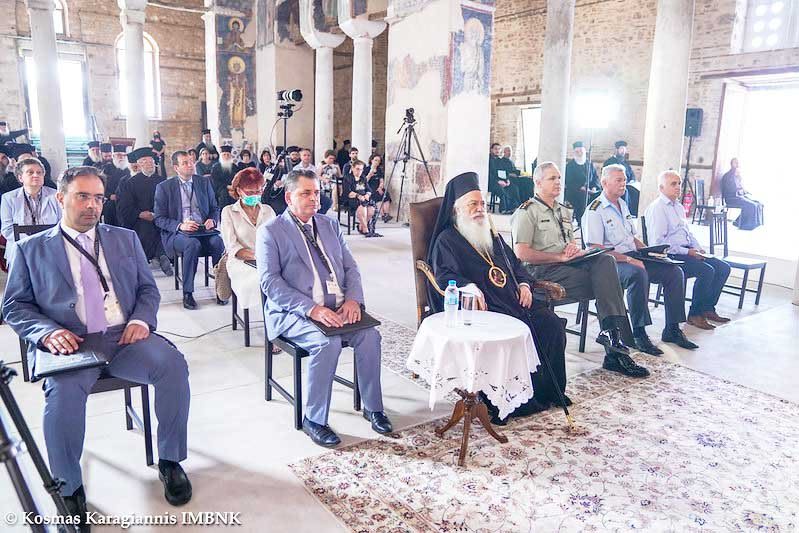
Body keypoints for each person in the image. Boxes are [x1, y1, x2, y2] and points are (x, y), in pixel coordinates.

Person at [2, 166, 192, 527]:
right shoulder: (31, 249)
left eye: (99, 198)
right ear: (61, 198)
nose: (92, 205)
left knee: (173, 367)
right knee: (62, 396)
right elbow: (14, 306)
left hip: (124, 335)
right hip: (71, 342)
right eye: (83, 196)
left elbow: (147, 290)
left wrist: (140, 320)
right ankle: (69, 488)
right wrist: (46, 332)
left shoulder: (124, 238)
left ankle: (170, 460)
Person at [256, 169, 392, 447]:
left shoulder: (329, 225)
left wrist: (353, 300)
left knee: (370, 336)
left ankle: (373, 407)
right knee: (326, 343)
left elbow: (351, 267)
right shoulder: (271, 232)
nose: (314, 198)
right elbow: (271, 283)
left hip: (338, 307)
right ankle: (314, 420)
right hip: (295, 313)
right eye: (306, 193)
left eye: (317, 192)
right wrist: (312, 309)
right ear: (289, 198)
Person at [428, 171, 569, 423]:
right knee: (509, 335)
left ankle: (549, 392)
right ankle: (509, 403)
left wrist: (524, 284)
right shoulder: (446, 240)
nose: (479, 209)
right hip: (485, 310)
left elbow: (516, 265)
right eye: (472, 204)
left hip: (514, 302)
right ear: (457, 209)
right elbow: (444, 274)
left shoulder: (491, 234)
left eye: (482, 203)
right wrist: (468, 287)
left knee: (550, 324)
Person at [511, 161, 650, 378]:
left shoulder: (563, 210)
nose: (558, 182)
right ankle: (615, 347)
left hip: (569, 266)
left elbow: (568, 244)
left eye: (559, 178)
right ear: (537, 182)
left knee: (605, 261)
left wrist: (575, 250)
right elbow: (521, 254)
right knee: (608, 283)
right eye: (552, 178)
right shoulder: (527, 211)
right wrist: (558, 256)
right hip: (542, 272)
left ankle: (612, 339)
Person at [582, 165, 698, 351]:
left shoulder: (623, 204)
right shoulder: (595, 210)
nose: (623, 184)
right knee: (638, 274)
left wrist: (651, 252)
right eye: (618, 180)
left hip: (633, 256)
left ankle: (672, 329)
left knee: (674, 271)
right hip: (609, 263)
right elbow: (595, 249)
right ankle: (639, 333)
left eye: (624, 180)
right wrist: (629, 260)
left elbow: (631, 238)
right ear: (604, 183)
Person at [644, 171, 732, 329]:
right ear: (661, 187)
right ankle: (695, 314)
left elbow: (687, 233)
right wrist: (688, 252)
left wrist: (697, 248)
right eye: (673, 184)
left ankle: (707, 308)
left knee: (723, 267)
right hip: (669, 256)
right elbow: (659, 243)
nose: (678, 187)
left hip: (686, 251)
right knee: (707, 271)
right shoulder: (658, 208)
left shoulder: (678, 206)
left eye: (679, 183)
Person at [154, 150, 226, 310]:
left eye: (191, 161)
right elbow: (159, 219)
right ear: (176, 168)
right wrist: (180, 225)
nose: (190, 165)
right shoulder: (164, 187)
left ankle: (221, 289)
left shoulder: (203, 182)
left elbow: (214, 208)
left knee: (218, 242)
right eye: (185, 163)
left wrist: (212, 220)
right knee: (192, 244)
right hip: (179, 233)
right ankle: (188, 293)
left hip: (203, 230)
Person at [220, 167, 275, 311]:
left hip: (268, 259)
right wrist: (257, 256)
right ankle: (268, 312)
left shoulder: (268, 211)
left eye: (259, 191)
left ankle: (279, 314)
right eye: (250, 193)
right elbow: (232, 247)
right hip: (241, 261)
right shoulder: (229, 212)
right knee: (257, 280)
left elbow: (277, 240)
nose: (255, 196)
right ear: (239, 191)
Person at [116, 147, 174, 275]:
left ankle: (161, 256)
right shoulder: (130, 183)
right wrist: (140, 214)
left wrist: (159, 214)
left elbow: (170, 202)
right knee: (146, 229)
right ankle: (159, 256)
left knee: (164, 228)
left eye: (151, 161)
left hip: (160, 217)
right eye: (145, 161)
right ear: (139, 164)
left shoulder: (162, 181)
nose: (149, 164)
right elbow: (125, 206)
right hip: (140, 219)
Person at [0, 157, 61, 265]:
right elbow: (7, 229)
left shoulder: (56, 196)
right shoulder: (8, 198)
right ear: (20, 177)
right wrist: (31, 243)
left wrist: (43, 243)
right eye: (30, 172)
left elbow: (62, 223)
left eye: (39, 172)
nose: (36, 175)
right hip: (20, 249)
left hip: (50, 248)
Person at [721, 158, 763, 230]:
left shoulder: (737, 176)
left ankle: (753, 224)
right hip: (731, 198)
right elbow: (732, 190)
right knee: (752, 205)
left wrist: (744, 191)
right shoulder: (727, 176)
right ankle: (746, 225)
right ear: (732, 164)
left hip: (739, 197)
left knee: (758, 204)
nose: (737, 165)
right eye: (735, 163)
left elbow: (740, 188)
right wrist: (741, 191)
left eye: (738, 163)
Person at [564, 141, 600, 225]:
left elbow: (595, 178)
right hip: (575, 192)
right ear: (574, 153)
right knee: (583, 197)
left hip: (590, 191)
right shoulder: (570, 166)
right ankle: (582, 221)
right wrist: (580, 187)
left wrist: (594, 187)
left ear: (584, 152)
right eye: (577, 152)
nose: (579, 153)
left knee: (600, 195)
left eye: (581, 151)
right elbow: (568, 181)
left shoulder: (589, 164)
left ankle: (596, 219)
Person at [603, 140, 640, 215]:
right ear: (617, 150)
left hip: (627, 185)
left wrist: (632, 181)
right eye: (621, 149)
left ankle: (631, 214)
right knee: (625, 192)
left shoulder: (625, 163)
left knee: (636, 193)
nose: (623, 151)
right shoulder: (609, 162)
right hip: (614, 186)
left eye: (624, 149)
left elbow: (632, 175)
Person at [99, 145, 129, 226]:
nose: (121, 157)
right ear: (113, 156)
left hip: (126, 204)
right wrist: (109, 195)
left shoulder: (129, 170)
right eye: (119, 155)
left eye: (124, 155)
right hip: (112, 204)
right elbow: (101, 185)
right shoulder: (106, 169)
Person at [343, 160, 375, 235]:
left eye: (361, 169)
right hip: (351, 199)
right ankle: (366, 229)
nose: (359, 171)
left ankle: (361, 226)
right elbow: (347, 192)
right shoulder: (347, 177)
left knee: (371, 209)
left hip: (363, 198)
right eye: (357, 169)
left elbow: (369, 189)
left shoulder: (363, 178)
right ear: (352, 168)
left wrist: (367, 195)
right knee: (362, 206)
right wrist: (358, 196)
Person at [488, 142, 520, 213]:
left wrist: (507, 180)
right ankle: (503, 209)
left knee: (513, 188)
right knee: (502, 190)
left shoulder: (500, 160)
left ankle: (513, 207)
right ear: (491, 150)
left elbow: (503, 172)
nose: (497, 151)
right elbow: (489, 174)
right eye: (495, 149)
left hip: (501, 180)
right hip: (492, 182)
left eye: (499, 149)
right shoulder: (488, 160)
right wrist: (498, 181)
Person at [366, 154, 392, 222]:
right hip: (370, 187)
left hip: (378, 186)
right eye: (375, 160)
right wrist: (370, 174)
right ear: (371, 160)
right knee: (377, 196)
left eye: (378, 161)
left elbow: (381, 180)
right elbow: (364, 181)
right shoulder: (366, 169)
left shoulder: (379, 170)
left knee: (386, 195)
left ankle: (386, 214)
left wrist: (380, 187)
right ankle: (382, 215)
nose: (377, 162)